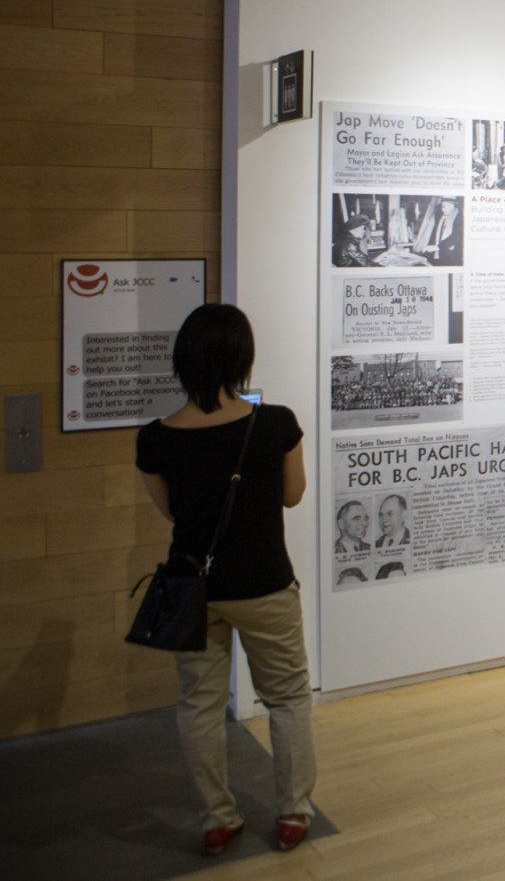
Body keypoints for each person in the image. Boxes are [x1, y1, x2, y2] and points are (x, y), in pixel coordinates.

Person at [135, 303, 315, 855]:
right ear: (242, 358)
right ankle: (292, 814)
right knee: (287, 699)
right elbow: (293, 495)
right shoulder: (276, 423)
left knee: (199, 705)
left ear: (183, 361)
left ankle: (217, 819)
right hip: (265, 584)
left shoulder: (155, 438)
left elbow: (172, 512)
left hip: (194, 590)